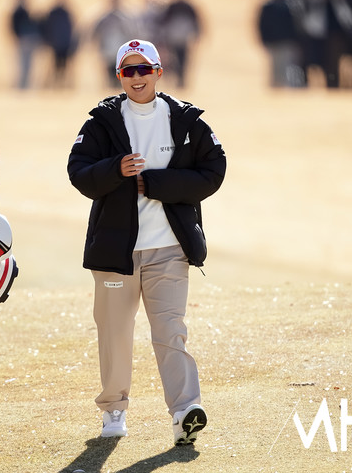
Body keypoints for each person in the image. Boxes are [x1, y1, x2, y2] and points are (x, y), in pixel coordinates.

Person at [67, 39, 226, 445]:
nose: (136, 77)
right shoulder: (101, 121)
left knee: (170, 330)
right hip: (115, 253)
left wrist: (155, 183)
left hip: (169, 249)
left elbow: (214, 170)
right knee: (115, 333)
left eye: (144, 69)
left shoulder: (185, 120)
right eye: (128, 70)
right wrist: (115, 169)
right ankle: (114, 411)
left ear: (158, 71)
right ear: (119, 76)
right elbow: (78, 172)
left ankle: (185, 411)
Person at [258, 0, 305, 88]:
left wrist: (296, 41)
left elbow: (296, 25)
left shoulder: (289, 5)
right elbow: (263, 25)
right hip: (274, 42)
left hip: (287, 43)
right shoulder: (268, 6)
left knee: (289, 68)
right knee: (276, 68)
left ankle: (287, 88)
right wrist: (265, 40)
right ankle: (276, 88)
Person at [159, 0, 202, 88]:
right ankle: (178, 79)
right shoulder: (173, 7)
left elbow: (196, 22)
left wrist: (197, 35)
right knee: (174, 60)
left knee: (182, 59)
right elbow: (164, 22)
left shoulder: (187, 7)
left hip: (182, 39)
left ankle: (181, 80)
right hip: (173, 38)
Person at [41, 0, 76, 88]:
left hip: (66, 43)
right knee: (55, 65)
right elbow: (47, 28)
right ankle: (55, 83)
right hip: (56, 44)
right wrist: (48, 41)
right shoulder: (53, 12)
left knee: (64, 65)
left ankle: (62, 83)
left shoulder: (67, 12)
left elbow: (72, 28)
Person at [10, 0, 42, 89]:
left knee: (26, 64)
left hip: (27, 41)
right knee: (23, 64)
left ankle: (25, 84)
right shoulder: (19, 12)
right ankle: (22, 84)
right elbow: (14, 28)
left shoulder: (25, 12)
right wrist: (18, 38)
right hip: (23, 41)